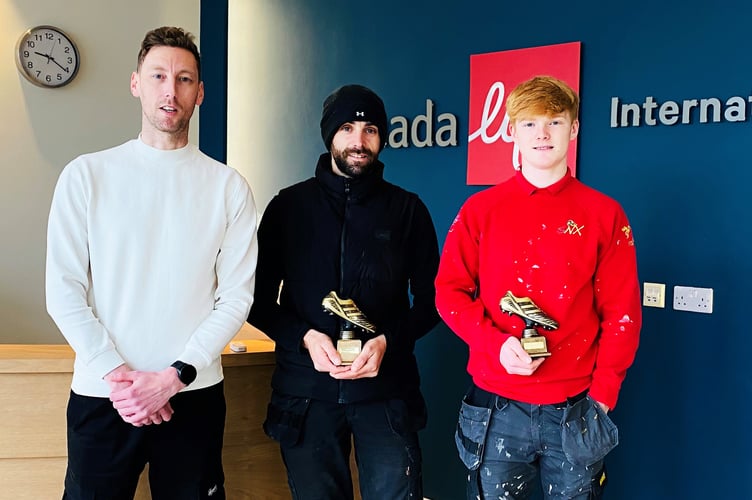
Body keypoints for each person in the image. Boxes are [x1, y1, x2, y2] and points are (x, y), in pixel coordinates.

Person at [45, 26, 258, 499]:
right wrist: (123, 380)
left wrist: (173, 376)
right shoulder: (87, 175)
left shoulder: (228, 187)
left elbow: (236, 297)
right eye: (158, 75)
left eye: (184, 79)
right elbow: (63, 291)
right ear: (136, 83)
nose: (170, 89)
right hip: (105, 395)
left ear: (200, 93)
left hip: (193, 394)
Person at [434, 75, 641, 499]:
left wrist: (602, 397)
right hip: (495, 407)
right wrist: (493, 344)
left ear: (575, 128)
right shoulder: (480, 211)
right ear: (511, 131)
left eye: (555, 122)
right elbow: (448, 292)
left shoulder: (604, 214)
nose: (542, 134)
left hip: (577, 406)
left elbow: (622, 315)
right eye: (529, 123)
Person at [247, 84, 440, 500]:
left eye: (370, 129)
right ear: (329, 135)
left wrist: (388, 341)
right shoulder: (288, 207)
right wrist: (305, 336)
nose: (359, 140)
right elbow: (256, 301)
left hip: (387, 392)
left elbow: (433, 303)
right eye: (348, 128)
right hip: (306, 395)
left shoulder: (408, 210)